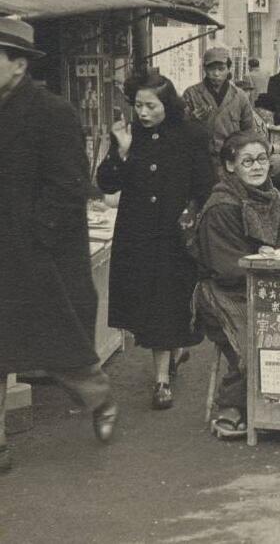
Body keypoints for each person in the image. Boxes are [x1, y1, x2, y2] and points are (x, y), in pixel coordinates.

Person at [0, 18, 117, 473]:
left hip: (36, 253)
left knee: (58, 349)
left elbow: (70, 186)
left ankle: (101, 400)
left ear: (19, 64)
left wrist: (35, 236)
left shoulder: (52, 112)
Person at [97, 68, 215, 410]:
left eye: (151, 106)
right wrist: (120, 152)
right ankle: (171, 359)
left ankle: (161, 380)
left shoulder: (192, 134)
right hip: (137, 235)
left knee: (168, 304)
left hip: (175, 235)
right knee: (151, 307)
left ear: (168, 103)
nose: (143, 113)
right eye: (138, 106)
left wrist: (191, 215)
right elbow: (106, 184)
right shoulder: (127, 134)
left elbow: (205, 186)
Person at [193, 132, 280, 440]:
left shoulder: (274, 198)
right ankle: (231, 406)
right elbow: (224, 266)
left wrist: (277, 259)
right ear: (230, 166)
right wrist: (259, 259)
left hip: (266, 284)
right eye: (247, 161)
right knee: (255, 342)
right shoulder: (221, 206)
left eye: (262, 159)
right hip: (223, 291)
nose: (257, 167)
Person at [183, 46, 255, 173]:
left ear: (228, 69)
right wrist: (192, 120)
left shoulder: (239, 96)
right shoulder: (191, 93)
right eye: (211, 69)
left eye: (221, 69)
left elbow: (248, 131)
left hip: (231, 159)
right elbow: (179, 129)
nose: (216, 74)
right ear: (204, 69)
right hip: (200, 159)